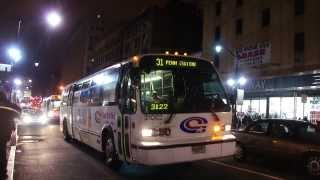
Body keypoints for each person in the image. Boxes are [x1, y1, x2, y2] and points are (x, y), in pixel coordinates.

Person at [0, 91, 21, 180]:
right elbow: (18, 112)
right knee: (1, 152)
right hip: (4, 132)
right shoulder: (9, 105)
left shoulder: (8, 105)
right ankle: (2, 173)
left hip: (4, 132)